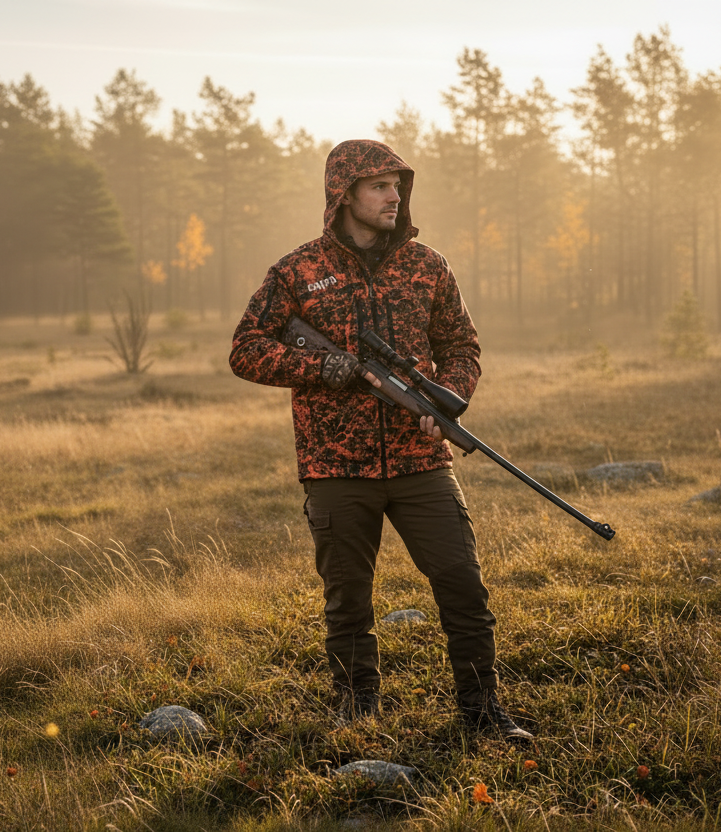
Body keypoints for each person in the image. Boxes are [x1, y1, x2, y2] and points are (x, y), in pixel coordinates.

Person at [228, 139, 532, 742]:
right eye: (379, 186)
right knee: (348, 602)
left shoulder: (426, 265)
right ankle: (356, 712)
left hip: (423, 462)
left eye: (399, 185)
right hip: (335, 466)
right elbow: (245, 349)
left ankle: (481, 712)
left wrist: (447, 396)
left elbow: (461, 347)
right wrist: (324, 369)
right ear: (344, 195)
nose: (395, 196)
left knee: (463, 586)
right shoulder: (297, 272)